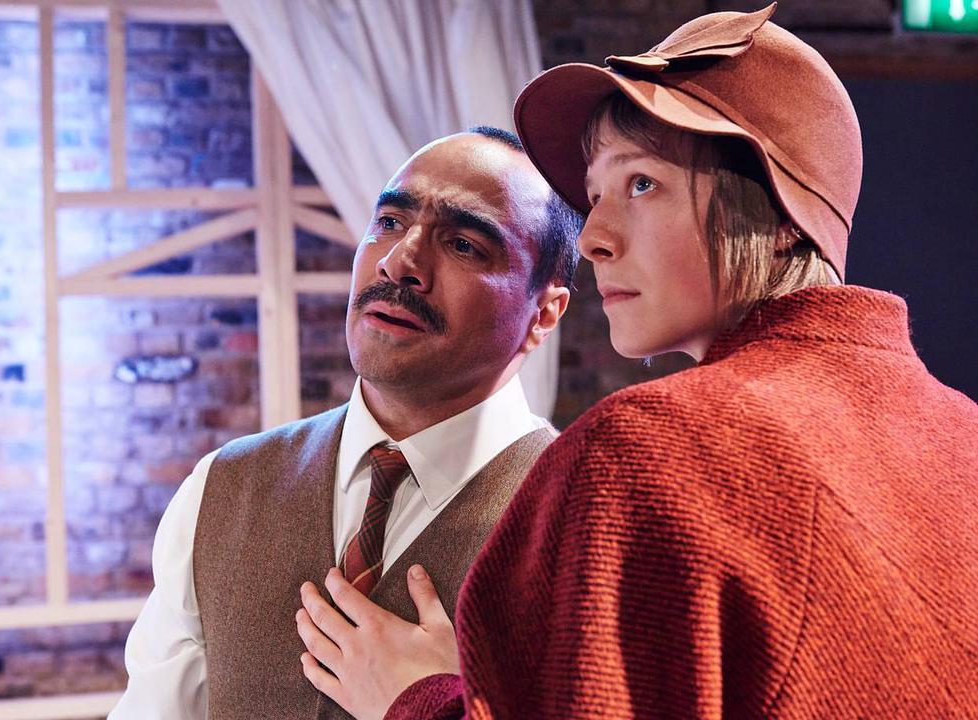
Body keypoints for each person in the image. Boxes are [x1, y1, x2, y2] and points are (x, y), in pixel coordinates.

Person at [294, 5, 978, 719]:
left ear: (779, 219)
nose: (593, 238)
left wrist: (421, 702)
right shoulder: (961, 435)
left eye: (641, 183)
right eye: (594, 196)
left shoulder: (649, 447)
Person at [109, 126, 583, 719]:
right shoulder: (221, 487)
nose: (399, 262)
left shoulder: (587, 520)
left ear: (544, 314)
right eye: (389, 222)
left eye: (463, 244)